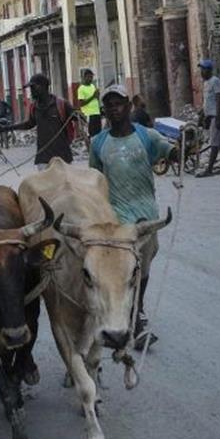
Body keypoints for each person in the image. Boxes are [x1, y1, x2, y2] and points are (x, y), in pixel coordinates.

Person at [89, 85, 182, 349]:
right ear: (104, 110)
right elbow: (95, 180)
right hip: (117, 215)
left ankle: (135, 310)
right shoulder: (98, 143)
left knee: (144, 267)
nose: (113, 109)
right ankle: (135, 319)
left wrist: (184, 146)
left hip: (147, 215)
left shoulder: (147, 136)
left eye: (118, 104)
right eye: (108, 105)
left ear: (128, 106)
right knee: (123, 269)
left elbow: (171, 153)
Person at [0, 73, 74, 169]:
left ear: (43, 87)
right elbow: (28, 124)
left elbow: (77, 117)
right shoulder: (34, 107)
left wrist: (78, 116)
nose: (31, 91)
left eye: (33, 87)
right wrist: (6, 128)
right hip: (43, 159)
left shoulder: (61, 104)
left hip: (63, 157)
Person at [195, 59, 220, 177]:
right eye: (201, 69)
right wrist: (202, 113)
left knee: (214, 143)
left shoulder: (216, 81)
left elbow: (219, 99)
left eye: (203, 69)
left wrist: (218, 117)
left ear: (209, 70)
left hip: (217, 116)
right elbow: (207, 101)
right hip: (211, 116)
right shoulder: (206, 83)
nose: (201, 72)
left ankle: (209, 169)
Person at [76, 68, 102, 140]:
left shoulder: (92, 86)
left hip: (96, 113)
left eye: (92, 77)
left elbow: (95, 99)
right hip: (88, 115)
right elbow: (81, 103)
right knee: (91, 134)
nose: (91, 79)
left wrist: (97, 96)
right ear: (84, 77)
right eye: (89, 77)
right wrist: (93, 96)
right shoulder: (81, 88)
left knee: (98, 134)